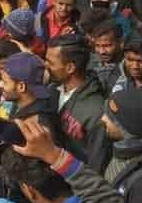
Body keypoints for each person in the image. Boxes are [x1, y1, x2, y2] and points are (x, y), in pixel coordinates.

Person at [45, 34, 106, 162]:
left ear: (70, 68)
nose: (46, 66)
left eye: (50, 62)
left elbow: (96, 163)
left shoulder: (96, 111)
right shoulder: (52, 91)